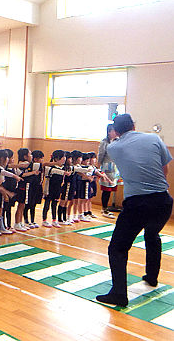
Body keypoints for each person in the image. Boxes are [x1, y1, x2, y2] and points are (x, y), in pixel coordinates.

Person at [96, 114, 173, 307]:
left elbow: (118, 149)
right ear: (134, 125)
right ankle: (152, 277)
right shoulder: (154, 138)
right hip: (163, 201)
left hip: (137, 203)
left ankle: (119, 294)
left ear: (116, 130)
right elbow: (165, 171)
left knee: (117, 248)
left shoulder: (114, 147)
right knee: (152, 235)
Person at [98, 124, 119, 218]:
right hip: (106, 166)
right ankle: (104, 208)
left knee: (112, 188)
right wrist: (99, 165)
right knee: (106, 189)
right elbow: (101, 154)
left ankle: (106, 208)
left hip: (115, 168)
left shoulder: (117, 141)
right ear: (109, 132)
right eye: (113, 131)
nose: (115, 133)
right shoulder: (104, 142)